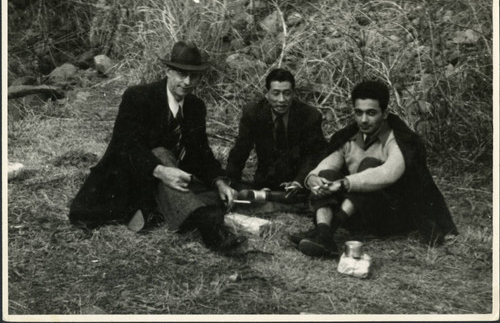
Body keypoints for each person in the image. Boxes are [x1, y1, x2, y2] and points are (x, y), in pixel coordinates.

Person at [69, 41, 246, 252]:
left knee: (220, 191)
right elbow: (124, 145)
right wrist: (160, 170)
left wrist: (219, 181)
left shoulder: (196, 107)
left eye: (194, 76)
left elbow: (200, 152)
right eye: (181, 74)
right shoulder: (138, 96)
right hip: (130, 178)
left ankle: (182, 209)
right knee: (161, 153)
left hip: (166, 183)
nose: (187, 82)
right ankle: (207, 224)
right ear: (168, 71)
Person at [290, 80, 458, 257]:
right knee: (326, 174)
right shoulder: (349, 136)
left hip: (389, 217)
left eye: (371, 113)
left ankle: (327, 232)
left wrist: (343, 183)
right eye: (358, 112)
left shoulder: (398, 139)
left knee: (369, 165)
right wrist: (312, 178)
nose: (363, 120)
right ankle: (324, 233)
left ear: (385, 113)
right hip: (354, 214)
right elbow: (328, 163)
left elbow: (388, 174)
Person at [225, 68, 327, 209]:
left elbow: (315, 154)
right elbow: (240, 150)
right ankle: (266, 195)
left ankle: (286, 197)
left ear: (293, 94)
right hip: (266, 180)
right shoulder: (253, 112)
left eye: (287, 93)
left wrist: (298, 181)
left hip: (298, 180)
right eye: (276, 93)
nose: (281, 100)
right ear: (267, 94)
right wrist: (229, 184)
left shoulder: (310, 115)